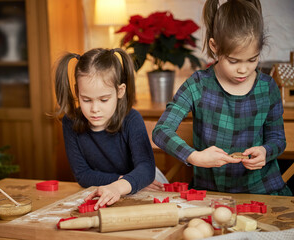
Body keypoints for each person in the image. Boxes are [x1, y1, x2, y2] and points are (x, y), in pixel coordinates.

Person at [152, 0, 292, 195]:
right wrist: (194, 156)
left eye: (252, 59)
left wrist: (266, 152)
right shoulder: (198, 84)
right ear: (214, 46)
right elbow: (161, 131)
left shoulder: (267, 87)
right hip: (211, 194)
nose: (243, 69)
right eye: (233, 61)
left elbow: (278, 139)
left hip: (263, 192)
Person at [55, 48, 166, 210]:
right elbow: (83, 175)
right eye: (86, 100)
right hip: (113, 189)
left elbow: (146, 169)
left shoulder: (131, 119)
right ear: (77, 92)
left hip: (143, 185)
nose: (95, 109)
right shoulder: (70, 122)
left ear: (120, 91)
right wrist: (119, 181)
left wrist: (120, 185)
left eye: (104, 99)